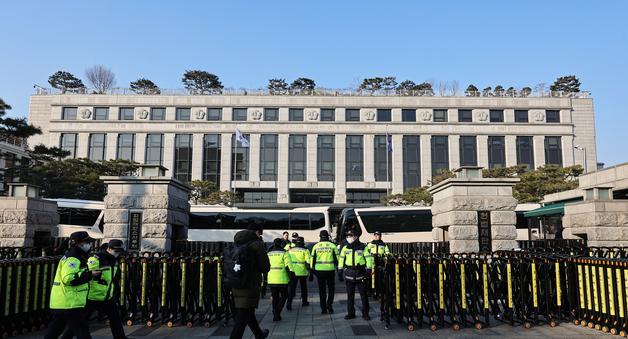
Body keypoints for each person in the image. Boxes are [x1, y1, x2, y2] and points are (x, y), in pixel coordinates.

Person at [61, 239, 129, 339]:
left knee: (115, 318)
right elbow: (86, 272)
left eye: (119, 252)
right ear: (109, 249)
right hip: (92, 296)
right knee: (80, 321)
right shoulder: (97, 259)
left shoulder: (114, 261)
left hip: (107, 296)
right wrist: (95, 277)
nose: (117, 254)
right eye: (116, 251)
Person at [45, 231, 101, 339]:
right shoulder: (73, 258)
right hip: (69, 303)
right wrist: (90, 274)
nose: (90, 245)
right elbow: (68, 278)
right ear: (78, 244)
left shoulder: (76, 256)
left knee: (54, 332)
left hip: (63, 303)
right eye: (87, 242)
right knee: (82, 331)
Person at [229, 224, 271, 339]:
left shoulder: (237, 242)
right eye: (260, 233)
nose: (260, 236)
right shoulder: (257, 244)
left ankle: (259, 334)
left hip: (236, 282)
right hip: (250, 285)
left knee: (249, 313)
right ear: (257, 232)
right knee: (242, 318)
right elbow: (265, 267)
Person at [338, 230, 373, 321]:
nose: (348, 237)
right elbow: (341, 259)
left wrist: (369, 269)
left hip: (360, 274)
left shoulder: (363, 247)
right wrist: (340, 270)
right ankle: (351, 313)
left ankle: (365, 313)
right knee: (350, 296)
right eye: (348, 236)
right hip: (349, 274)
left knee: (363, 295)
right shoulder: (345, 248)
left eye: (351, 235)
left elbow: (368, 258)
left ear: (356, 237)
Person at [310, 230, 339, 314]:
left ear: (320, 236)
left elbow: (312, 259)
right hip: (330, 270)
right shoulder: (332, 245)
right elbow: (337, 258)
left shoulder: (316, 246)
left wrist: (311, 271)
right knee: (331, 289)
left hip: (319, 271)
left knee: (321, 290)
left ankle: (323, 309)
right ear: (328, 236)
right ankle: (329, 304)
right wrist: (339, 269)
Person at [267, 238, 293, 321]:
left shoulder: (269, 253)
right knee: (284, 295)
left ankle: (275, 316)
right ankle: (277, 311)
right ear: (282, 244)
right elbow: (288, 266)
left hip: (271, 278)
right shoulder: (284, 253)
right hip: (282, 278)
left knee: (275, 297)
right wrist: (291, 276)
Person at [286, 236, 311, 310]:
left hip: (293, 271)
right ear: (303, 242)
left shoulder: (291, 250)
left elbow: (287, 260)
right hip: (302, 271)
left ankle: (289, 303)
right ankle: (304, 302)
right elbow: (308, 262)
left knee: (291, 288)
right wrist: (310, 271)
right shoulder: (305, 250)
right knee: (304, 287)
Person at [366, 231, 390, 298]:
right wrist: (370, 257)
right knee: (371, 278)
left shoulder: (383, 245)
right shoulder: (370, 244)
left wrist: (383, 256)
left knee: (379, 278)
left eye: (378, 235)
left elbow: (387, 253)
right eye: (375, 235)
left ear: (380, 236)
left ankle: (379, 291)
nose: (376, 236)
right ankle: (370, 291)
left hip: (380, 263)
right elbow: (366, 252)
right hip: (372, 263)